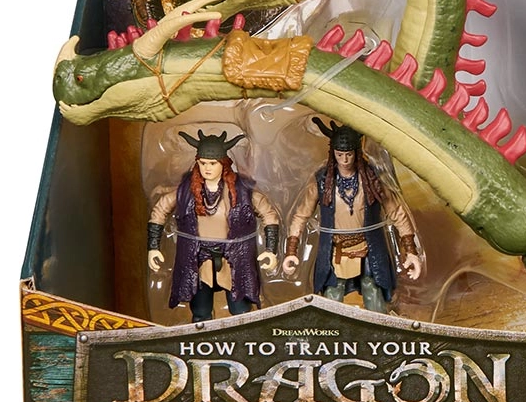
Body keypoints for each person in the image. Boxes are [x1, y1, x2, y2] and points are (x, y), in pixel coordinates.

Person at [283, 120, 421, 312]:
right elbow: (301, 216)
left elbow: (397, 212)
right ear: (333, 153)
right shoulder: (322, 182)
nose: (345, 160)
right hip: (335, 250)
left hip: (369, 248)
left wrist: (411, 251)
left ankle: (377, 327)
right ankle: (333, 328)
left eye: (349, 154)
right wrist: (291, 251)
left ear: (356, 153)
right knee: (332, 296)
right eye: (340, 154)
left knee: (373, 292)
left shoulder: (372, 179)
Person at [148, 131, 280, 321]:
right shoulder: (186, 190)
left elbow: (269, 215)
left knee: (240, 311)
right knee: (200, 311)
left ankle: (243, 336)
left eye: (212, 163)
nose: (207, 168)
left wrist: (270, 250)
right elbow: (160, 210)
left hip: (235, 259)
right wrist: (153, 247)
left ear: (223, 164)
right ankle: (201, 336)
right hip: (198, 259)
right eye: (202, 163)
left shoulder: (242, 190)